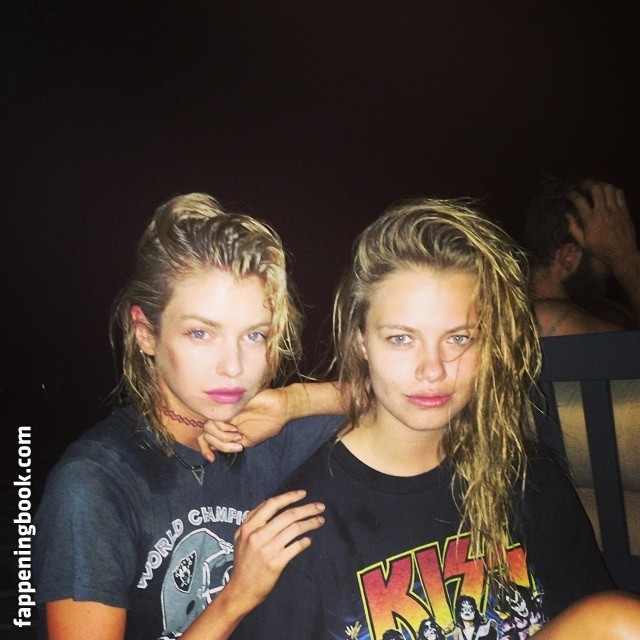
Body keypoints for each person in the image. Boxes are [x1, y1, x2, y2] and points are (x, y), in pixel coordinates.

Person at [230, 198, 637, 639]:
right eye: (401, 338)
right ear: (361, 341)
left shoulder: (528, 477)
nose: (433, 370)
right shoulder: (301, 528)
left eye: (458, 338)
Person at [33, 193, 343, 640]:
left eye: (254, 336)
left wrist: (294, 402)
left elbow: (412, 400)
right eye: (201, 332)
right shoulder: (93, 486)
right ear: (146, 333)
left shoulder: (273, 435)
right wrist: (235, 598)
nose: (233, 367)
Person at [524, 177, 640, 336]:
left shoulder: (605, 311)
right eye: (607, 254)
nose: (610, 272)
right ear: (568, 257)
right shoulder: (546, 319)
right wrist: (625, 258)